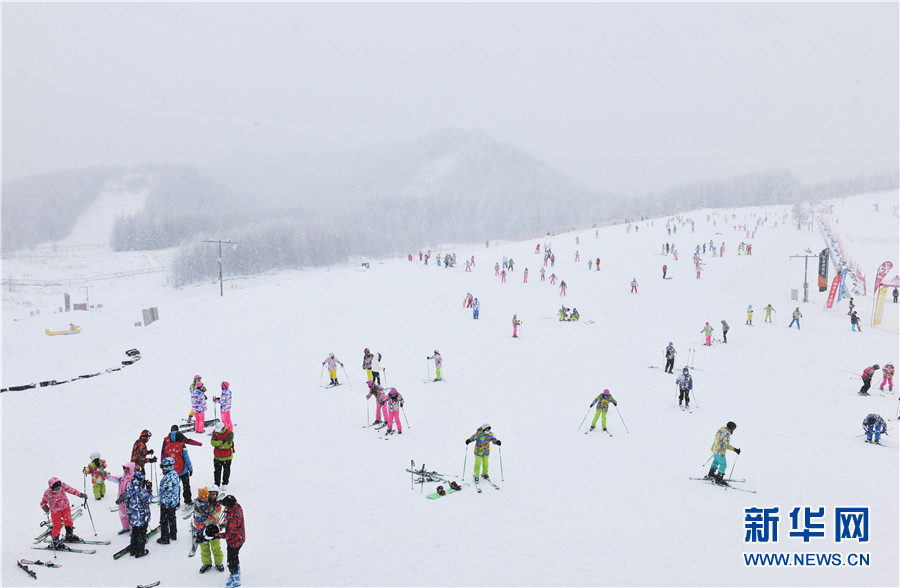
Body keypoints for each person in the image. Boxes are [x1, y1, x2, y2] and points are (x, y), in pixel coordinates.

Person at [40, 477, 87, 549]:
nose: (58, 489)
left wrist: (80, 494)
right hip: (55, 511)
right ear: (52, 487)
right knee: (57, 525)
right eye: (56, 488)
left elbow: (71, 490)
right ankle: (55, 540)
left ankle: (69, 535)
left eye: (59, 487)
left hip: (65, 507)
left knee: (68, 521)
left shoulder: (63, 486)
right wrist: (44, 507)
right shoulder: (48, 492)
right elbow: (43, 502)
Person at [162, 425, 202, 505]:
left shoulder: (167, 447)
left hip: (173, 471)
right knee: (186, 486)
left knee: (175, 487)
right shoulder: (181, 446)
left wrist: (164, 469)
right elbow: (187, 459)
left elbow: (165, 458)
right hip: (183, 470)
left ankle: (176, 503)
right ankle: (187, 500)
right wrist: (190, 468)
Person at [118, 469, 153, 557]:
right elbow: (148, 499)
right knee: (141, 533)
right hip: (141, 516)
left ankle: (133, 549)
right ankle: (140, 551)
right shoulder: (141, 491)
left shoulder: (129, 488)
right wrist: (149, 489)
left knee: (135, 532)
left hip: (132, 516)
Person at [193, 488, 225, 573]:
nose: (212, 496)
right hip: (202, 529)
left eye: (214, 494)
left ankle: (219, 563)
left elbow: (215, 516)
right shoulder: (201, 503)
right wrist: (199, 524)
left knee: (216, 547)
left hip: (213, 530)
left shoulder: (217, 505)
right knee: (204, 548)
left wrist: (205, 521)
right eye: (211, 494)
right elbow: (196, 516)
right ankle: (206, 563)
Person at [221, 495, 245, 587]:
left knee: (231, 559)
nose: (224, 507)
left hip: (234, 542)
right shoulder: (236, 506)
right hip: (240, 537)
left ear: (229, 506)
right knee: (234, 557)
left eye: (225, 506)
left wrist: (217, 536)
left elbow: (230, 534)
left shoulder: (232, 517)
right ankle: (235, 573)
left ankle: (236, 578)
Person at [106, 463, 135, 535]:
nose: (125, 470)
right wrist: (106, 475)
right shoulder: (122, 477)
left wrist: (126, 496)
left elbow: (134, 490)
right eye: (124, 468)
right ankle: (126, 527)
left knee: (131, 515)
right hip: (121, 501)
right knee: (122, 514)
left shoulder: (133, 478)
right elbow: (114, 479)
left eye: (127, 469)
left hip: (130, 501)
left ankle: (134, 529)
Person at [157, 456, 180, 544]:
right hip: (173, 502)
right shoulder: (174, 474)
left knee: (164, 520)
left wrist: (163, 503)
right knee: (172, 518)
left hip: (166, 503)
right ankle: (173, 534)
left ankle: (165, 538)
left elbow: (166, 492)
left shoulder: (167, 478)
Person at [210, 421, 235, 490]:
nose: (218, 432)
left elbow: (227, 445)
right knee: (217, 471)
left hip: (227, 457)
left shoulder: (230, 433)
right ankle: (217, 483)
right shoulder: (215, 432)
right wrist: (221, 443)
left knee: (226, 471)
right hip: (217, 456)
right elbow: (212, 442)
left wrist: (218, 445)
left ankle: (225, 483)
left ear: (223, 427)